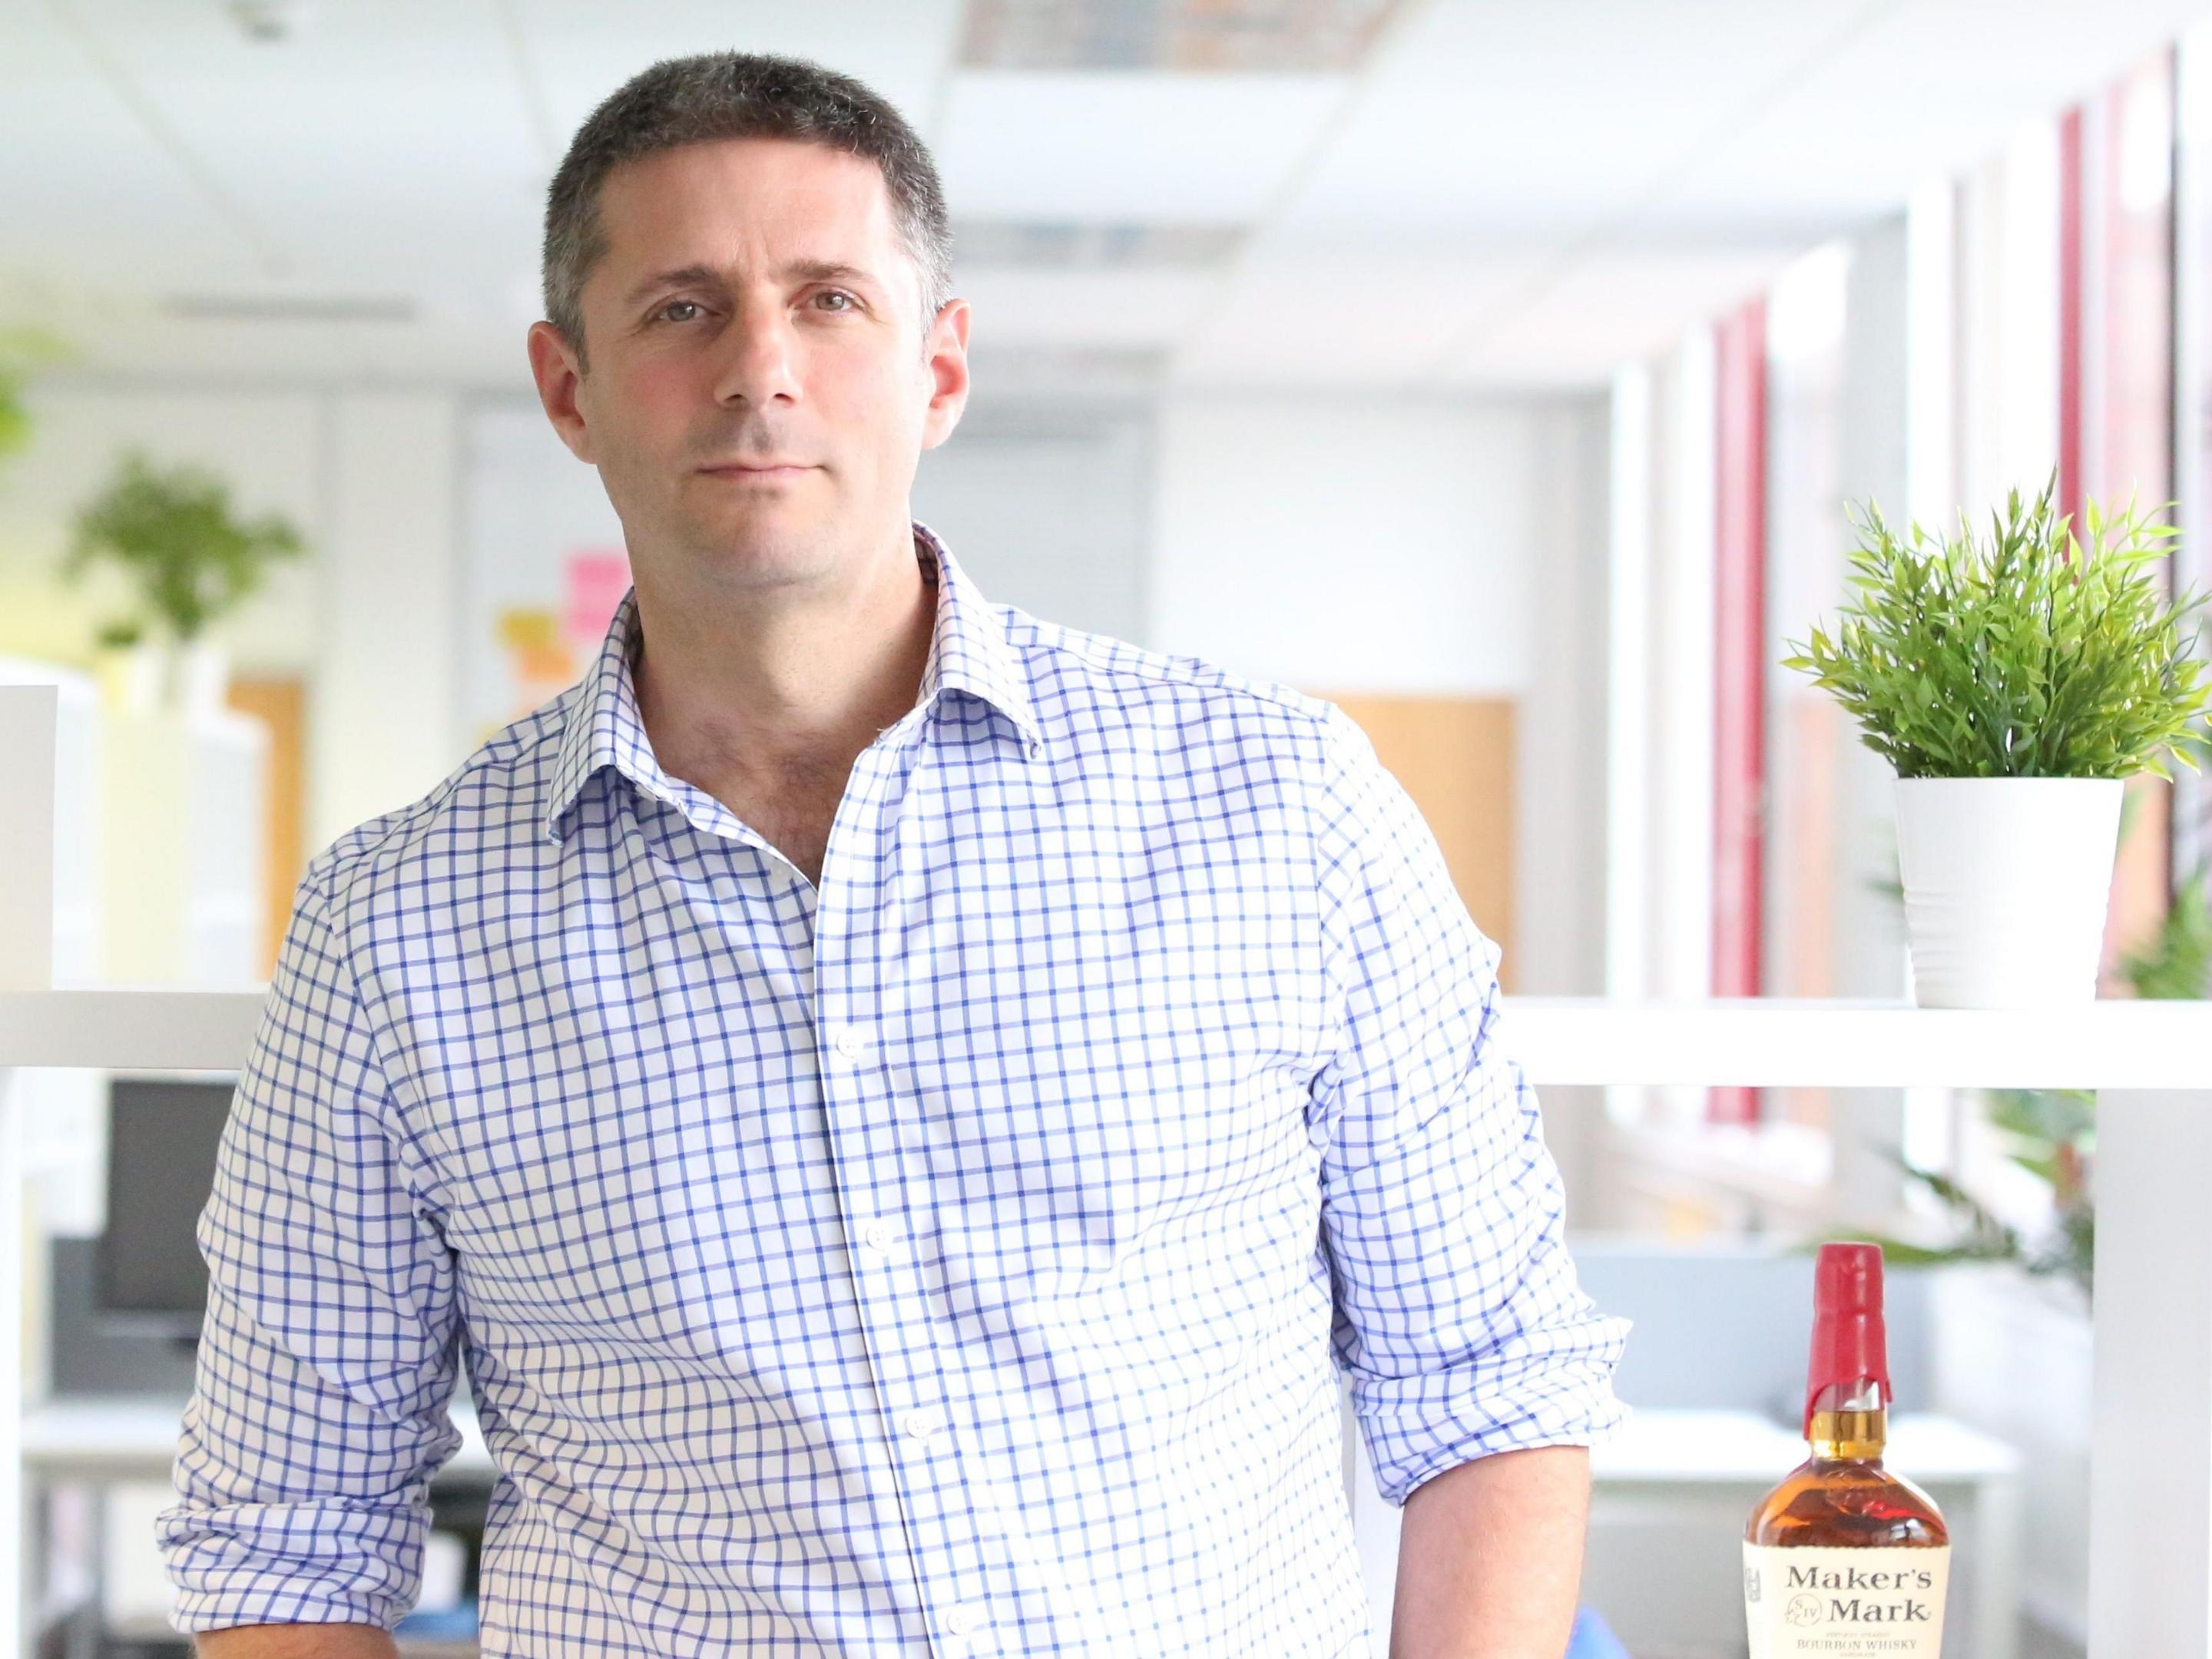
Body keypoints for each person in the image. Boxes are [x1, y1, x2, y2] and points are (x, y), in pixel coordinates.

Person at [164, 50, 1628, 1658]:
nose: (760, 370)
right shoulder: (400, 927)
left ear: (937, 372)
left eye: (831, 301)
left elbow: (1490, 1382)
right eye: (681, 307)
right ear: (568, 386)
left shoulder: (1280, 806)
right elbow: (286, 1538)